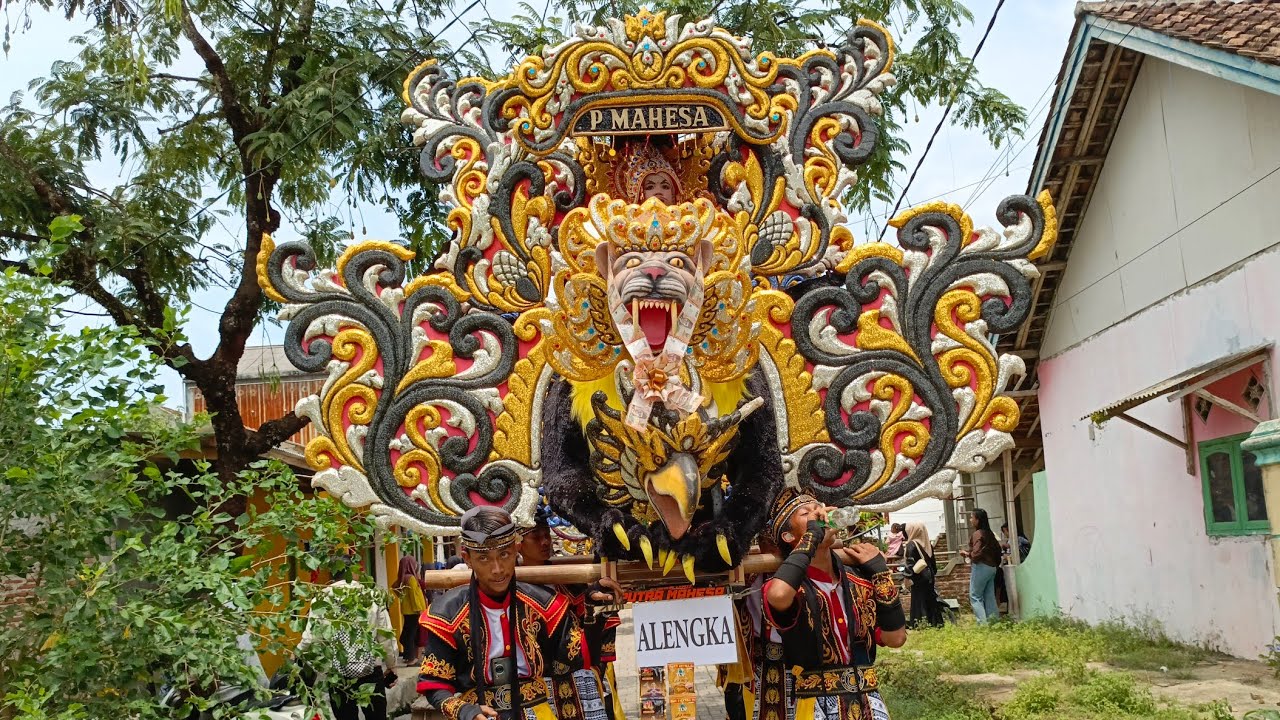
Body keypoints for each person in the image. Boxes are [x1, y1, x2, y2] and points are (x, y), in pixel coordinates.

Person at [418, 506, 599, 720]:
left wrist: (595, 611)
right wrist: (465, 711)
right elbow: (433, 683)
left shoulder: (545, 605)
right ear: (467, 558)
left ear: (515, 549)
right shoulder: (447, 614)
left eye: (504, 554)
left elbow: (577, 661)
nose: (497, 569)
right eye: (484, 558)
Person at [755, 488, 907, 720]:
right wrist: (812, 537)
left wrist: (881, 574)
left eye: (819, 508)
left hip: (868, 702)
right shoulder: (790, 588)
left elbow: (895, 639)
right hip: (814, 706)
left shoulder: (858, 580)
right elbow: (778, 595)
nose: (819, 514)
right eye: (806, 513)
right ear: (788, 536)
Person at [517, 508, 625, 720]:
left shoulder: (572, 584)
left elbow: (603, 627)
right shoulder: (510, 589)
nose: (545, 542)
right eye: (536, 537)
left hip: (578, 679)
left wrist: (597, 668)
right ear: (518, 544)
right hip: (532, 687)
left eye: (547, 535)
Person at [297, 558, 398, 720]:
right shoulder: (371, 596)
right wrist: (391, 665)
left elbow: (311, 638)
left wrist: (296, 655)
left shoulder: (321, 600)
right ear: (352, 572)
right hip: (370, 672)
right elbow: (386, 636)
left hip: (337, 676)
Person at [958, 508, 1002, 624]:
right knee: (989, 596)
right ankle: (994, 623)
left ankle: (982, 625)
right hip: (992, 568)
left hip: (981, 567)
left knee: (975, 596)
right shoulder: (989, 533)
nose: (970, 520)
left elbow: (977, 553)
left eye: (972, 517)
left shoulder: (978, 534)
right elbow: (998, 550)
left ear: (978, 520)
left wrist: (967, 554)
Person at [901, 523, 943, 628]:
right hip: (929, 577)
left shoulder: (912, 544)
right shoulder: (928, 544)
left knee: (919, 601)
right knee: (930, 599)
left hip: (918, 578)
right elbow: (933, 564)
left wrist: (907, 578)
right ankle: (934, 622)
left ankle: (920, 624)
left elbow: (910, 564)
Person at [396, 555, 428, 664]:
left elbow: (395, 588)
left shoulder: (402, 578)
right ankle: (411, 659)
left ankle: (407, 656)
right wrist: (419, 610)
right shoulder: (411, 579)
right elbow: (415, 596)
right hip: (414, 611)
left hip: (406, 610)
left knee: (408, 633)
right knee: (411, 635)